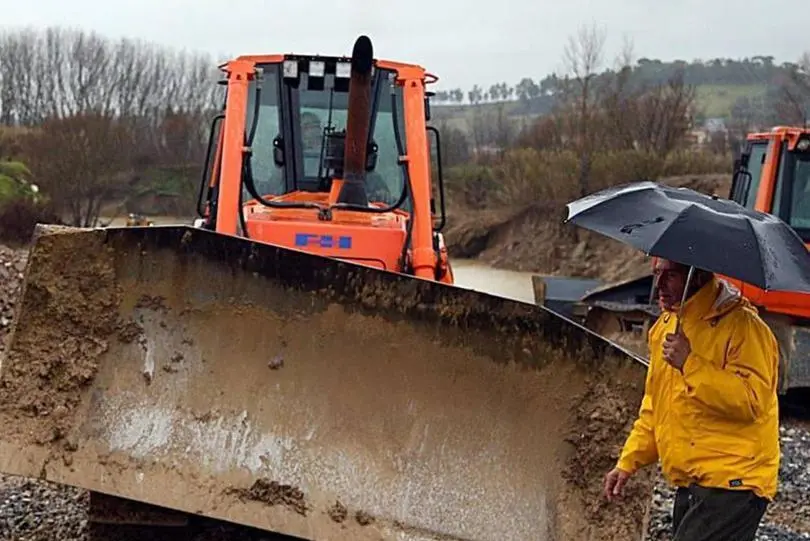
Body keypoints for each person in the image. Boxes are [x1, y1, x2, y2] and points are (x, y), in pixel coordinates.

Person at [603, 258, 780, 541]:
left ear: (696, 277)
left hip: (735, 481)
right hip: (692, 479)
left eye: (670, 275)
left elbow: (751, 401)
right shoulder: (666, 329)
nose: (659, 285)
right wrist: (628, 462)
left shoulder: (744, 327)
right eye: (656, 274)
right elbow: (656, 407)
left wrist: (689, 363)